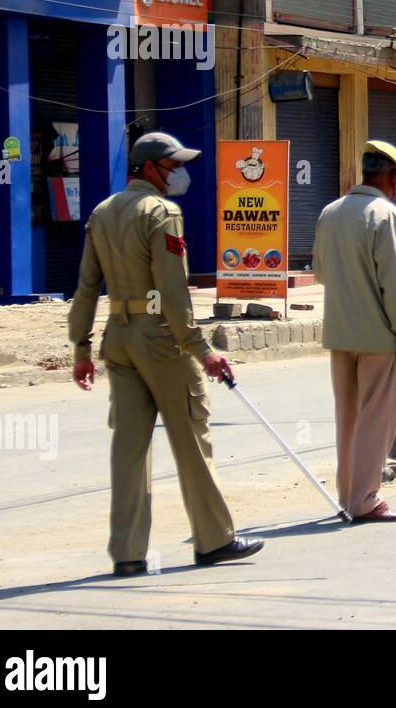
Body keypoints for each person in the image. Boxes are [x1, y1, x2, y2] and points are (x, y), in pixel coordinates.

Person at [69, 132, 263, 576]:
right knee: (192, 439)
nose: (178, 174)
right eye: (172, 166)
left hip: (118, 338)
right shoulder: (161, 213)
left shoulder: (101, 213)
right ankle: (214, 540)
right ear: (149, 168)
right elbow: (174, 291)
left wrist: (80, 347)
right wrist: (202, 350)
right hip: (161, 339)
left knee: (129, 448)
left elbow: (85, 287)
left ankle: (128, 553)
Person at [312, 140, 396, 523]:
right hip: (378, 338)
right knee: (376, 420)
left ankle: (348, 497)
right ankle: (365, 499)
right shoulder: (385, 215)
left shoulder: (330, 213)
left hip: (340, 335)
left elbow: (321, 272)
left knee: (348, 419)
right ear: (393, 177)